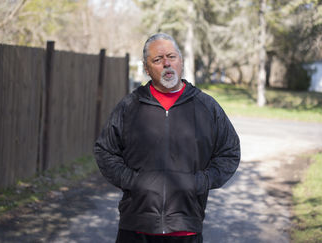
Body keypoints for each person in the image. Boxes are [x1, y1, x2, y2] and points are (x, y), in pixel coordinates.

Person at [94, 33, 240, 243]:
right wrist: (134, 181)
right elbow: (105, 151)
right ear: (146, 68)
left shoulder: (207, 107)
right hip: (136, 228)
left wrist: (200, 182)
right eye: (157, 59)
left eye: (171, 56)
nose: (166, 63)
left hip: (186, 228)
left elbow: (230, 152)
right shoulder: (129, 107)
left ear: (181, 61)